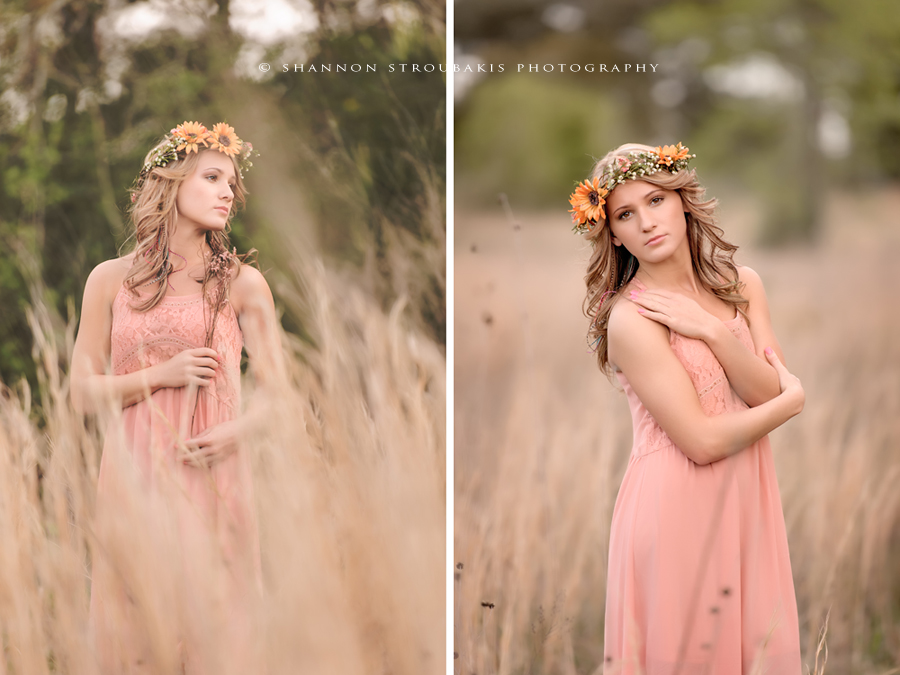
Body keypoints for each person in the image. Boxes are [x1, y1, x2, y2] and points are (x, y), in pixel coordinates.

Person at [568, 143, 804, 674]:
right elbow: (701, 442)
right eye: (625, 214)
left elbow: (764, 389)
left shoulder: (742, 286)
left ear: (682, 201)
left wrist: (711, 332)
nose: (647, 222)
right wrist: (794, 403)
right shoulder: (633, 319)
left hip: (748, 500)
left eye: (655, 201)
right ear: (612, 233)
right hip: (675, 508)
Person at [71, 121, 283, 674]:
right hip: (133, 472)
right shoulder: (108, 280)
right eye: (212, 177)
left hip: (212, 468)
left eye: (232, 184)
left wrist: (236, 431)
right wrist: (161, 375)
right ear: (169, 182)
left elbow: (280, 396)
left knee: (214, 626)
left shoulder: (242, 282)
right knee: (139, 628)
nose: (227, 193)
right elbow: (81, 393)